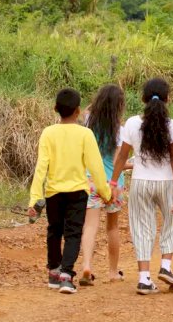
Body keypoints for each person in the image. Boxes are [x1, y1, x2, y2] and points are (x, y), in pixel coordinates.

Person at [27, 88, 111, 294]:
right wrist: (106, 193)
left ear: (56, 109)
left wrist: (34, 199)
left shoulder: (48, 133)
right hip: (77, 193)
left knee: (54, 231)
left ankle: (54, 273)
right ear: (78, 111)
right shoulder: (85, 134)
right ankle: (66, 275)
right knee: (73, 233)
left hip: (53, 192)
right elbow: (96, 167)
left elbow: (41, 168)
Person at [111, 78, 173, 295]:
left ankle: (144, 278)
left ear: (143, 98)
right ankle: (166, 267)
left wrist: (113, 182)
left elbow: (123, 156)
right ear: (168, 98)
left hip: (140, 182)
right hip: (166, 183)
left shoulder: (132, 123)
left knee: (142, 227)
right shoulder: (172, 125)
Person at [80, 84, 132, 286]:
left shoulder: (88, 123)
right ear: (119, 106)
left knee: (90, 225)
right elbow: (119, 160)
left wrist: (99, 103)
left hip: (91, 180)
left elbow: (86, 109)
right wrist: (133, 165)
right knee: (112, 227)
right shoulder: (121, 130)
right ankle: (112, 272)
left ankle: (86, 265)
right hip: (114, 183)